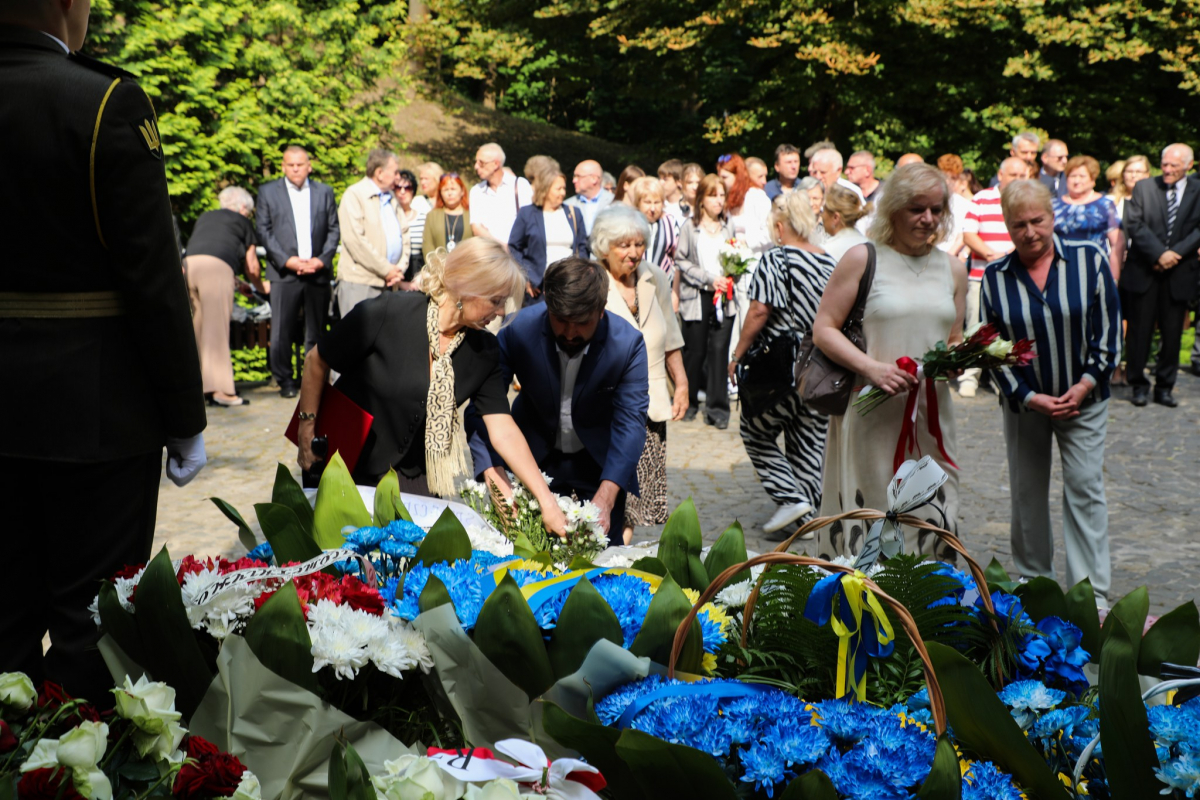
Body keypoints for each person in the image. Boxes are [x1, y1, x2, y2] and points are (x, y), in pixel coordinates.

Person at [1, 4, 207, 701]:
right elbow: (152, 275)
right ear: (66, 5)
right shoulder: (104, 101)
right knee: (90, 626)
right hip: (92, 409)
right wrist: (183, 415)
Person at [296, 238, 566, 532]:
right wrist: (306, 428)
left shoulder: (485, 350)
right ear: (467, 287)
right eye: (496, 300)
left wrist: (546, 502)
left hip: (416, 477)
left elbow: (503, 430)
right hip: (346, 464)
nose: (501, 312)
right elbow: (317, 360)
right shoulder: (388, 312)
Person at [811, 163, 967, 561]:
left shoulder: (953, 268)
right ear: (894, 209)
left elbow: (953, 336)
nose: (928, 219)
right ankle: (865, 604)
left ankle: (928, 604)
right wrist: (871, 368)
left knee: (936, 508)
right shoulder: (863, 259)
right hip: (871, 412)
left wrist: (955, 359)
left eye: (935, 209)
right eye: (917, 208)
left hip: (931, 414)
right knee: (875, 511)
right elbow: (824, 329)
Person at [982, 179, 1120, 606]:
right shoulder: (996, 276)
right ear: (1006, 225)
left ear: (1052, 215)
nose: (1029, 232)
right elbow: (991, 348)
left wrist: (1083, 385)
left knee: (1084, 488)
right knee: (1027, 494)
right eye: (1018, 224)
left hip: (1085, 400)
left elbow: (1109, 332)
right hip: (1026, 405)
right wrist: (1027, 396)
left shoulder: (1088, 259)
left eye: (1037, 220)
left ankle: (1089, 595)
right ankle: (1034, 586)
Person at [467, 256, 650, 541]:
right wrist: (494, 472)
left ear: (601, 311)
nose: (569, 332)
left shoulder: (627, 345)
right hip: (532, 455)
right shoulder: (517, 332)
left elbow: (631, 425)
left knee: (603, 561)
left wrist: (607, 498)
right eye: (560, 320)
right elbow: (482, 408)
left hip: (600, 463)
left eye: (581, 323)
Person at [729, 192, 835, 536]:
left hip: (782, 368)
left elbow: (759, 311)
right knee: (808, 442)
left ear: (779, 226)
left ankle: (790, 499)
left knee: (755, 432)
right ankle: (808, 522)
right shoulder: (829, 262)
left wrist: (737, 354)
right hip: (821, 366)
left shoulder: (776, 259)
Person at [593, 206, 687, 543]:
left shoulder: (654, 278)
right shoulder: (591, 279)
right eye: (623, 245)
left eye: (639, 244)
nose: (633, 254)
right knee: (608, 491)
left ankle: (619, 556)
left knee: (636, 501)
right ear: (604, 246)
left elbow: (670, 336)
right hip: (605, 403)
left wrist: (682, 384)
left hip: (650, 403)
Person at [256, 145, 340, 398]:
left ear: (309, 166)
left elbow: (334, 229)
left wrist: (321, 260)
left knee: (315, 331)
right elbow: (263, 230)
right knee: (282, 330)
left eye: (300, 164)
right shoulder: (268, 192)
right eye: (290, 164)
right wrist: (287, 260)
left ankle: (312, 382)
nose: (295, 168)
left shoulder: (324, 192)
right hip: (284, 273)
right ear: (283, 166)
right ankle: (286, 382)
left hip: (317, 272)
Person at [1122, 143, 1200, 408]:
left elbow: (1197, 229)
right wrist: (1158, 254)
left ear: (1189, 166)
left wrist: (1174, 254)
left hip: (1179, 274)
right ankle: (1138, 385)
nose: (1166, 170)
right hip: (1145, 270)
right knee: (1139, 332)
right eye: (1164, 164)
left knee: (1172, 333)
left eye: (1173, 166)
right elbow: (1134, 224)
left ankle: (1165, 387)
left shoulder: (1198, 190)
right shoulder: (1144, 187)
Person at [959, 156, 1030, 397]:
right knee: (976, 325)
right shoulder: (982, 198)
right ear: (1000, 176)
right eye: (1014, 175)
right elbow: (968, 234)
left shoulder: (1030, 199)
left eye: (1023, 175)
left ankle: (1006, 380)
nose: (1019, 180)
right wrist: (992, 254)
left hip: (1018, 275)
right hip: (981, 274)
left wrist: (1011, 254)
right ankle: (969, 377)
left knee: (1012, 327)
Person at [185, 186, 259, 407]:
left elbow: (209, 251)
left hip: (189, 267)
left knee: (198, 329)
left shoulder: (207, 216)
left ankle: (200, 389)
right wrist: (259, 287)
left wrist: (237, 283)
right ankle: (223, 392)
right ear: (243, 207)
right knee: (216, 331)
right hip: (216, 271)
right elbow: (252, 265)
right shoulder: (242, 221)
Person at [677, 174, 737, 427]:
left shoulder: (728, 226)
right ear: (702, 199)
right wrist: (708, 278)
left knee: (718, 352)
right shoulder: (690, 227)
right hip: (697, 296)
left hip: (724, 298)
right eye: (714, 195)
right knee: (695, 352)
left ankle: (718, 410)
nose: (719, 201)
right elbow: (681, 260)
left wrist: (729, 275)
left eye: (722, 195)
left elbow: (735, 257)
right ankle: (689, 402)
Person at [336, 148, 410, 316]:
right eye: (395, 172)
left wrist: (399, 269)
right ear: (379, 173)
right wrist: (387, 269)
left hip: (390, 284)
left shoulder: (391, 197)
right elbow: (355, 241)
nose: (398, 176)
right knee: (357, 339)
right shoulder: (354, 195)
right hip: (360, 284)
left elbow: (404, 234)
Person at [508, 165, 588, 304]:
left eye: (564, 188)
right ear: (545, 189)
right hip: (537, 287)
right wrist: (525, 278)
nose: (563, 193)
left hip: (569, 283)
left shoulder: (574, 213)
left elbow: (582, 247)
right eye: (558, 189)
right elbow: (514, 247)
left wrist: (580, 275)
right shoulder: (527, 214)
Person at [1053, 155, 1125, 280]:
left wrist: (1114, 278)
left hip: (1094, 270)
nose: (1076, 181)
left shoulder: (1104, 205)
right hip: (1059, 270)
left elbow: (1117, 243)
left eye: (1082, 176)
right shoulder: (1054, 205)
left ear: (1093, 179)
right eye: (1072, 176)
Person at [469, 142, 533, 244]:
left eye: (481, 163)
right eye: (476, 162)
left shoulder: (520, 185)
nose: (476, 166)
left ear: (496, 164)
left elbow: (530, 221)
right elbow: (476, 228)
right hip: (490, 254)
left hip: (518, 254)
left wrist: (512, 248)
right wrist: (501, 248)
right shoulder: (476, 191)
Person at [631, 176, 679, 282]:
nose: (653, 208)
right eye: (648, 202)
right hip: (636, 284)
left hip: (665, 285)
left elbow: (678, 259)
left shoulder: (670, 222)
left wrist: (675, 294)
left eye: (657, 202)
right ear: (638, 203)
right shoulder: (630, 222)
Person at [422, 172, 473, 255]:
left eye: (453, 189)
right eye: (445, 190)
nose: (449, 193)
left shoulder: (471, 214)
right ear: (440, 193)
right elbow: (427, 245)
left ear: (462, 191)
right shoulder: (432, 216)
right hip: (438, 265)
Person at [821, 184, 870, 263]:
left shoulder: (827, 251)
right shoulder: (869, 245)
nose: (822, 216)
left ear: (835, 217)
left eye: (824, 211)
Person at [565, 159, 614, 235]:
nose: (574, 180)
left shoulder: (614, 202)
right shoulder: (567, 205)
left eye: (578, 176)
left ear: (594, 179)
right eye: (574, 176)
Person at [935, 153, 970, 258]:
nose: (948, 182)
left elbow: (962, 236)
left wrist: (948, 257)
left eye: (953, 178)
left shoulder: (964, 205)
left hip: (951, 258)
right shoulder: (929, 201)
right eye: (945, 177)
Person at [395, 168, 425, 280]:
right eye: (398, 188)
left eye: (407, 188)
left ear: (413, 191)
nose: (402, 192)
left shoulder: (423, 218)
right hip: (394, 275)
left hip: (418, 275)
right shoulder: (387, 218)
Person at [1109, 155, 1150, 220]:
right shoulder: (1110, 200)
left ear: (1147, 174)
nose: (1133, 175)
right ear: (1123, 174)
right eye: (1129, 171)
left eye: (1138, 171)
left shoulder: (1154, 200)